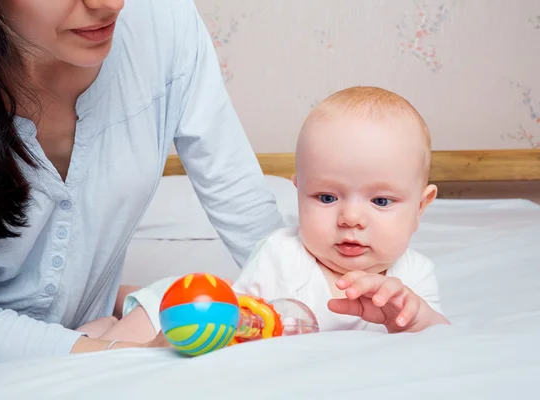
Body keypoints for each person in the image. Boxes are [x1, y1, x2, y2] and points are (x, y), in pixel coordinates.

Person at [0, 0, 284, 371]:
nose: (111, 4)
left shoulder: (163, 24)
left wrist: (324, 289)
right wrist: (128, 353)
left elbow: (245, 208)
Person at [98, 86, 451, 344]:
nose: (351, 218)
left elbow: (442, 339)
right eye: (327, 197)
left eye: (381, 202)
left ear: (420, 208)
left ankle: (113, 304)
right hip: (185, 309)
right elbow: (237, 325)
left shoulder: (413, 277)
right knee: (115, 349)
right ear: (299, 195)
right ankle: (108, 316)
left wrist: (415, 317)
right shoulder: (282, 256)